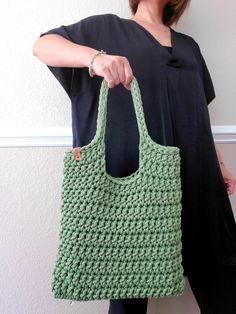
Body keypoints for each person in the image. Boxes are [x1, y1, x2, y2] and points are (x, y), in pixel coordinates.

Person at [32, 0, 236, 313]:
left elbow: (199, 111)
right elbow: (43, 45)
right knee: (129, 289)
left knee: (223, 285)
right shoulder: (105, 28)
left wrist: (220, 163)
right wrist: (95, 58)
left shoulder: (189, 46)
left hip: (199, 180)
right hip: (136, 187)